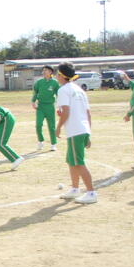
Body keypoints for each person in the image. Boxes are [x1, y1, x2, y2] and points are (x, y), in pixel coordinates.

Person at [55, 62, 97, 204]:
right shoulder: (79, 90)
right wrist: (88, 133)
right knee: (71, 160)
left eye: (57, 74)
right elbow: (88, 113)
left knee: (78, 162)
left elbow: (66, 111)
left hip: (75, 130)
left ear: (62, 76)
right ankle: (75, 189)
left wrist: (58, 127)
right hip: (82, 129)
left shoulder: (63, 90)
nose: (56, 76)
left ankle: (91, 192)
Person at [31, 65, 59, 151]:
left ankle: (53, 144)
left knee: (51, 126)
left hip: (50, 106)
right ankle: (40, 141)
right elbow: (35, 92)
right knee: (38, 125)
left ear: (50, 72)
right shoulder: (39, 82)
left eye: (45, 70)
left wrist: (60, 105)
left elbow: (58, 94)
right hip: (40, 106)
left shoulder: (54, 83)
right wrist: (33, 101)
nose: (43, 72)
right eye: (43, 70)